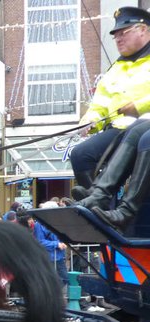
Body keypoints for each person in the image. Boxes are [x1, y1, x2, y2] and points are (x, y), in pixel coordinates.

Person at [70, 6, 150, 201]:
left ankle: (100, 199)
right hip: (118, 130)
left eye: (124, 32)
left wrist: (139, 106)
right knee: (80, 154)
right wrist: (89, 121)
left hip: (144, 128)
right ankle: (100, 207)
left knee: (135, 135)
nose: (118, 39)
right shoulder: (115, 68)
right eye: (116, 35)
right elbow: (99, 105)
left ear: (144, 30)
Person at [34, 202, 69, 287]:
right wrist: (57, 244)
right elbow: (40, 241)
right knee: (48, 281)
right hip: (47, 257)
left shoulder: (58, 222)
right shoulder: (39, 224)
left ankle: (52, 295)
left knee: (64, 279)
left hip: (58, 256)